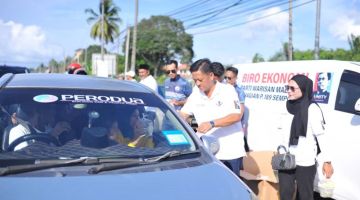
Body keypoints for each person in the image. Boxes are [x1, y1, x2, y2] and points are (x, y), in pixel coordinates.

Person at [180, 58, 246, 176]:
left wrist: (212, 123)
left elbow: (236, 115)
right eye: (195, 80)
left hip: (229, 153)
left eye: (200, 80)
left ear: (211, 75)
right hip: (206, 153)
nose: (198, 83)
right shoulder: (196, 94)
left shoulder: (227, 91)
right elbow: (182, 115)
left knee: (229, 191)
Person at [279, 74, 334, 200]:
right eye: (287, 87)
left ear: (304, 89)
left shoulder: (312, 109)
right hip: (286, 158)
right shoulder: (285, 106)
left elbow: (322, 137)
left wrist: (327, 161)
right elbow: (280, 131)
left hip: (305, 160)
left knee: (305, 195)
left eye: (292, 88)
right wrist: (280, 150)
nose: (288, 91)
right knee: (285, 194)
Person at [224, 66, 249, 151]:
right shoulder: (221, 89)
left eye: (229, 78)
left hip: (234, 126)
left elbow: (240, 113)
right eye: (225, 77)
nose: (227, 80)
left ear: (235, 78)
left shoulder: (239, 92)